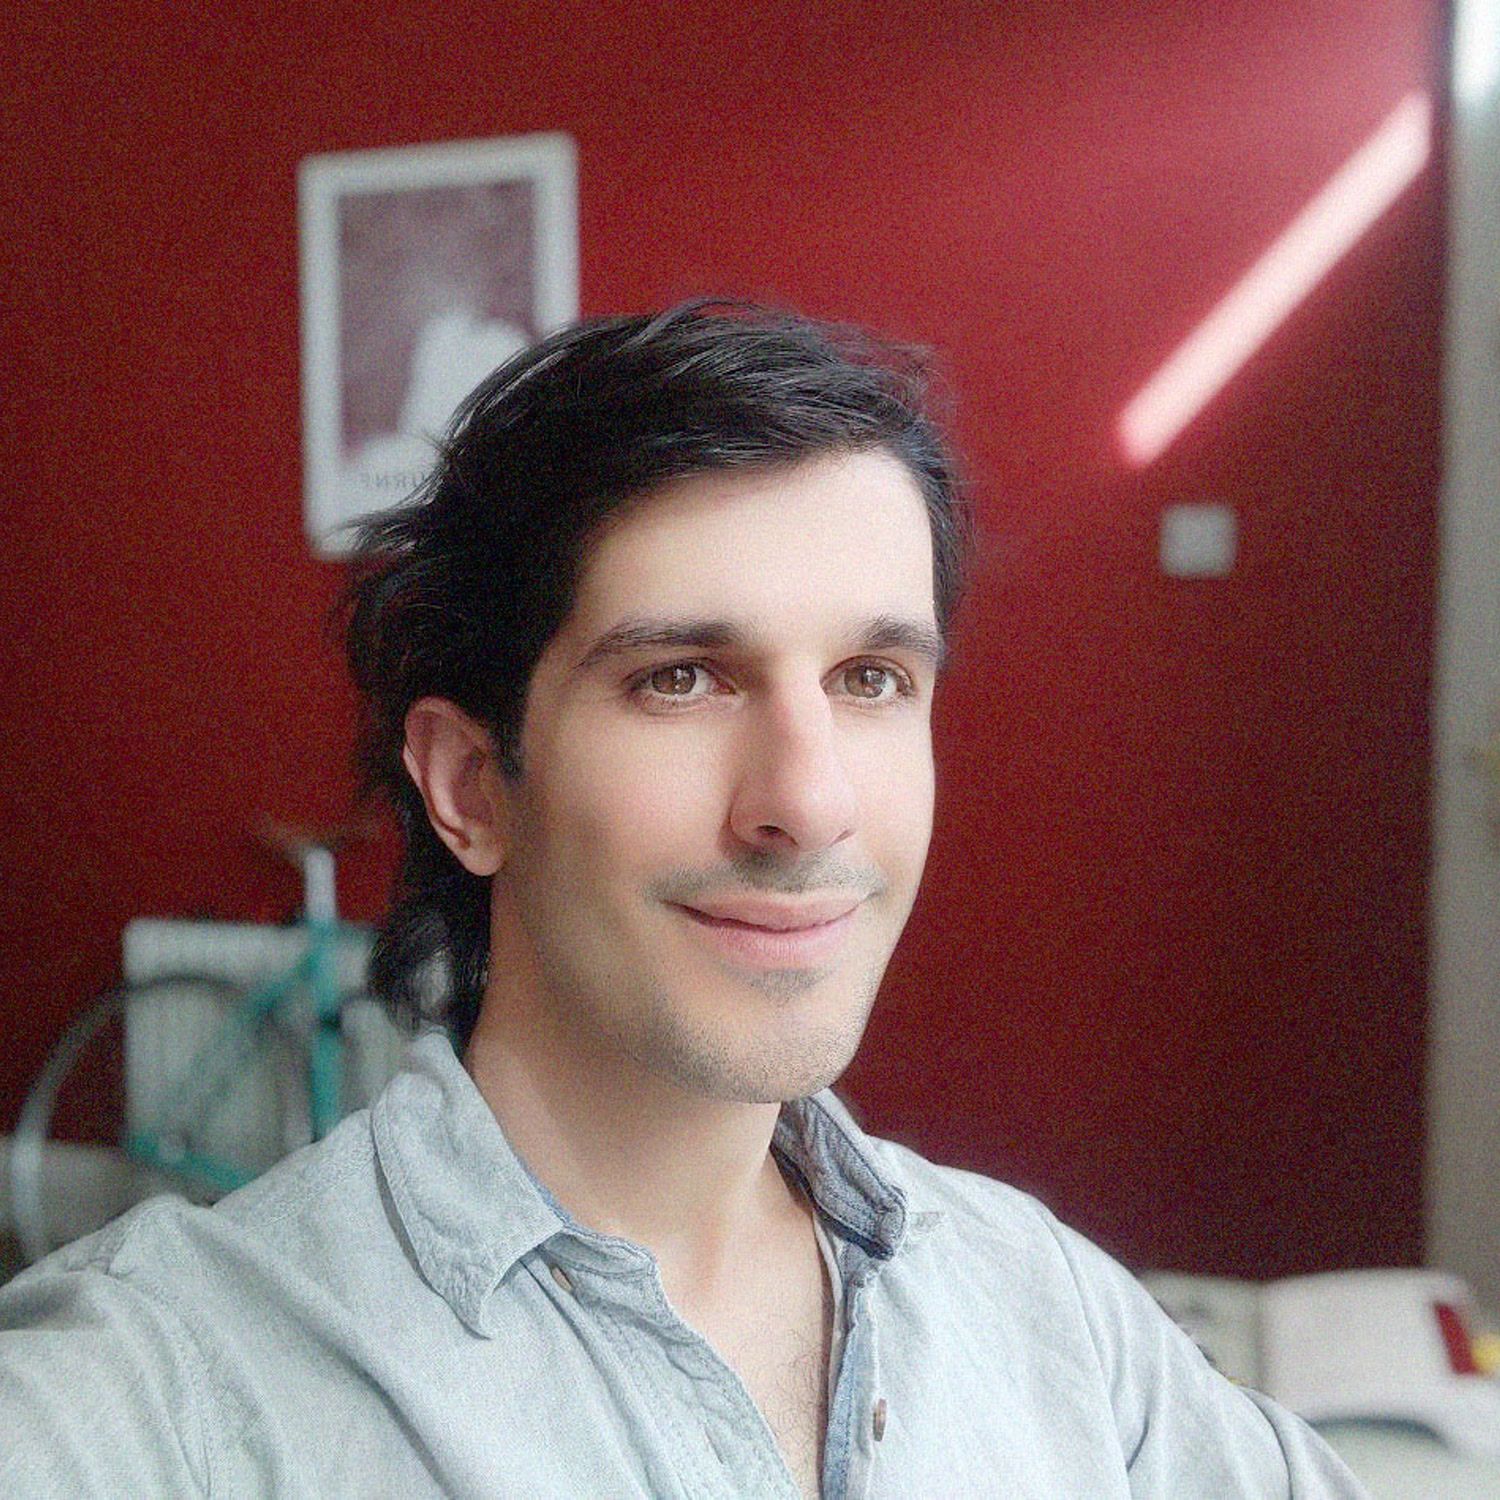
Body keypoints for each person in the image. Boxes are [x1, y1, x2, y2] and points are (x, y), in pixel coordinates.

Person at [0, 303, 1366, 1497]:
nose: (809, 803)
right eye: (682, 679)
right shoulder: (171, 1388)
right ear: (473, 786)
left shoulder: (1055, 1314)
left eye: (871, 680)